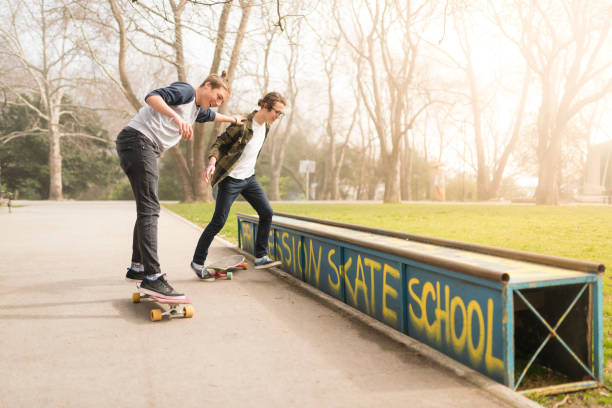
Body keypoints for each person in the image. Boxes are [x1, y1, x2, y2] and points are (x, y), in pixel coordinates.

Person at [116, 72, 244, 298]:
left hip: (138, 144)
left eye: (221, 101)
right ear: (206, 86)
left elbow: (210, 116)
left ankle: (138, 267)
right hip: (139, 141)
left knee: (147, 208)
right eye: (218, 96)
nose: (217, 102)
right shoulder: (185, 91)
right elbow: (152, 97)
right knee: (150, 209)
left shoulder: (195, 108)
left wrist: (232, 119)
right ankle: (152, 277)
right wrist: (177, 119)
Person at [190, 92, 286, 280]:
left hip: (249, 179)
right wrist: (211, 163)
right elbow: (219, 143)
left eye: (281, 114)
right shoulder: (241, 125)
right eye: (277, 112)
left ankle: (260, 256)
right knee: (218, 221)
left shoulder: (266, 127)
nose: (278, 117)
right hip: (231, 179)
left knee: (267, 212)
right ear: (265, 106)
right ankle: (197, 262)